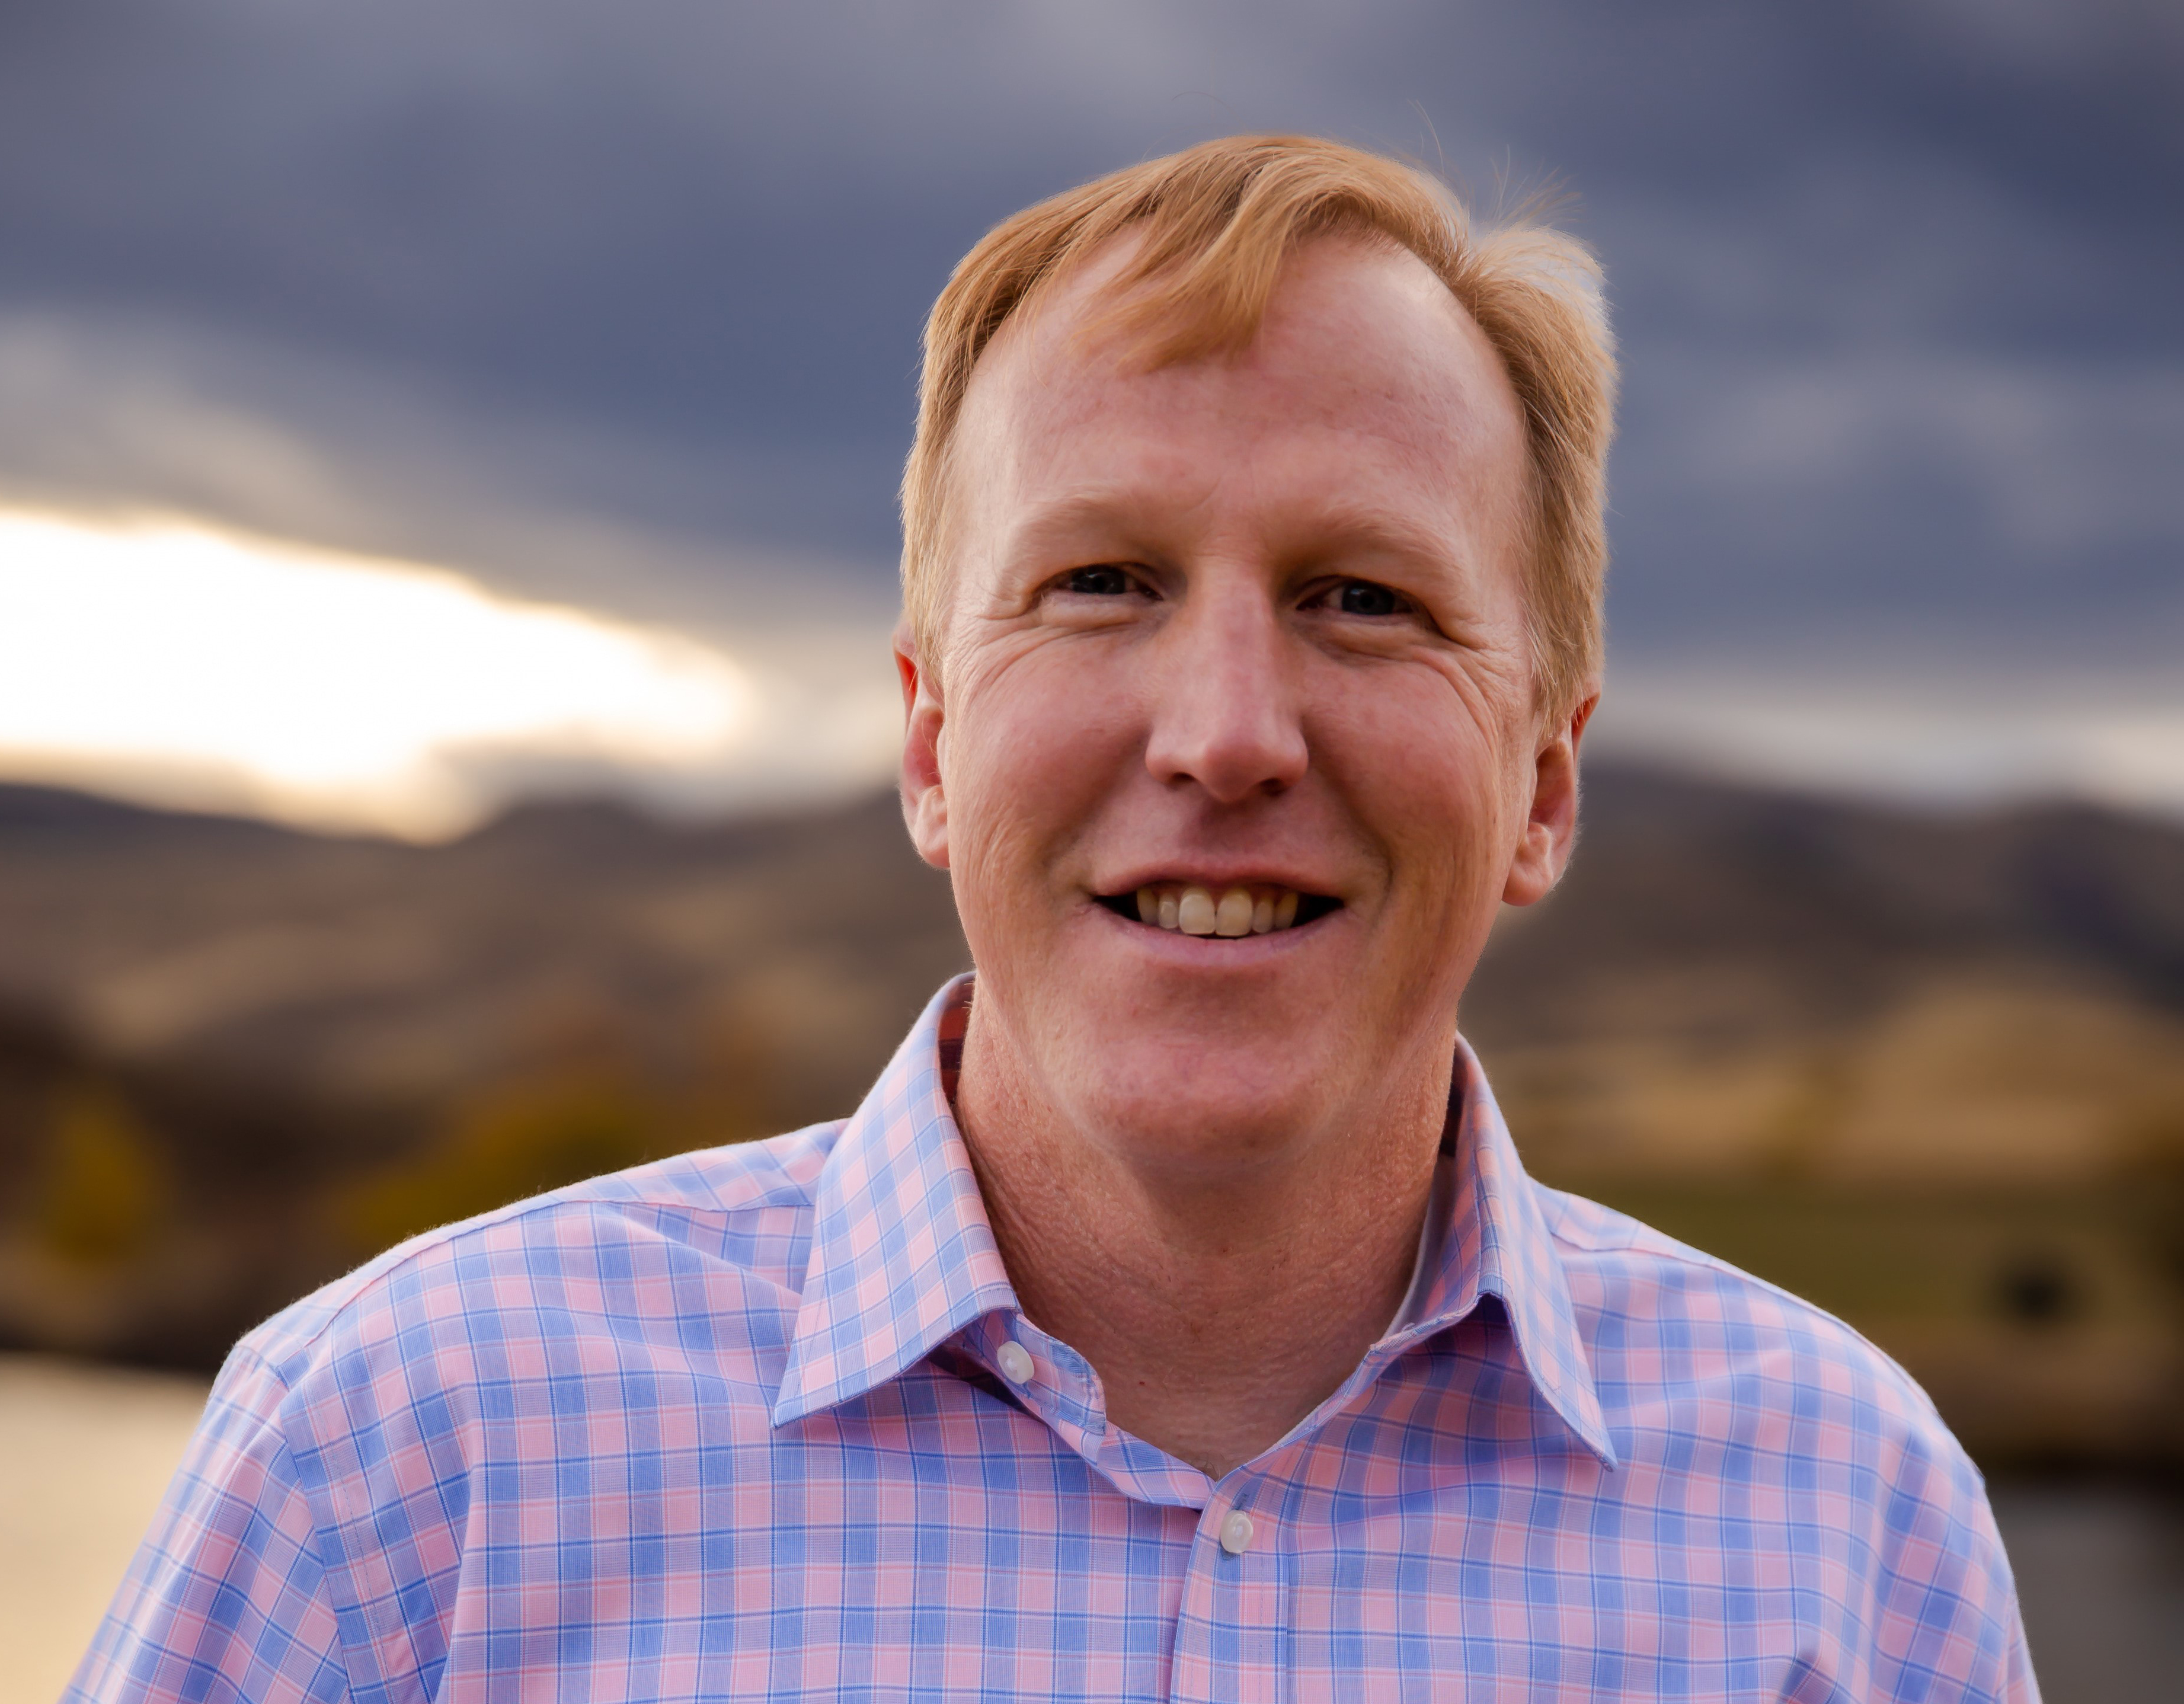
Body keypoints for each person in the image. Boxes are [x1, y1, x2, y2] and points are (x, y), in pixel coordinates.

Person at [72, 136, 2036, 1702]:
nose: (1228, 733)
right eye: (1102, 580)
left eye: (1366, 597)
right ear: (931, 741)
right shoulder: (410, 1460)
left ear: (1541, 778)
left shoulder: (1841, 1524)